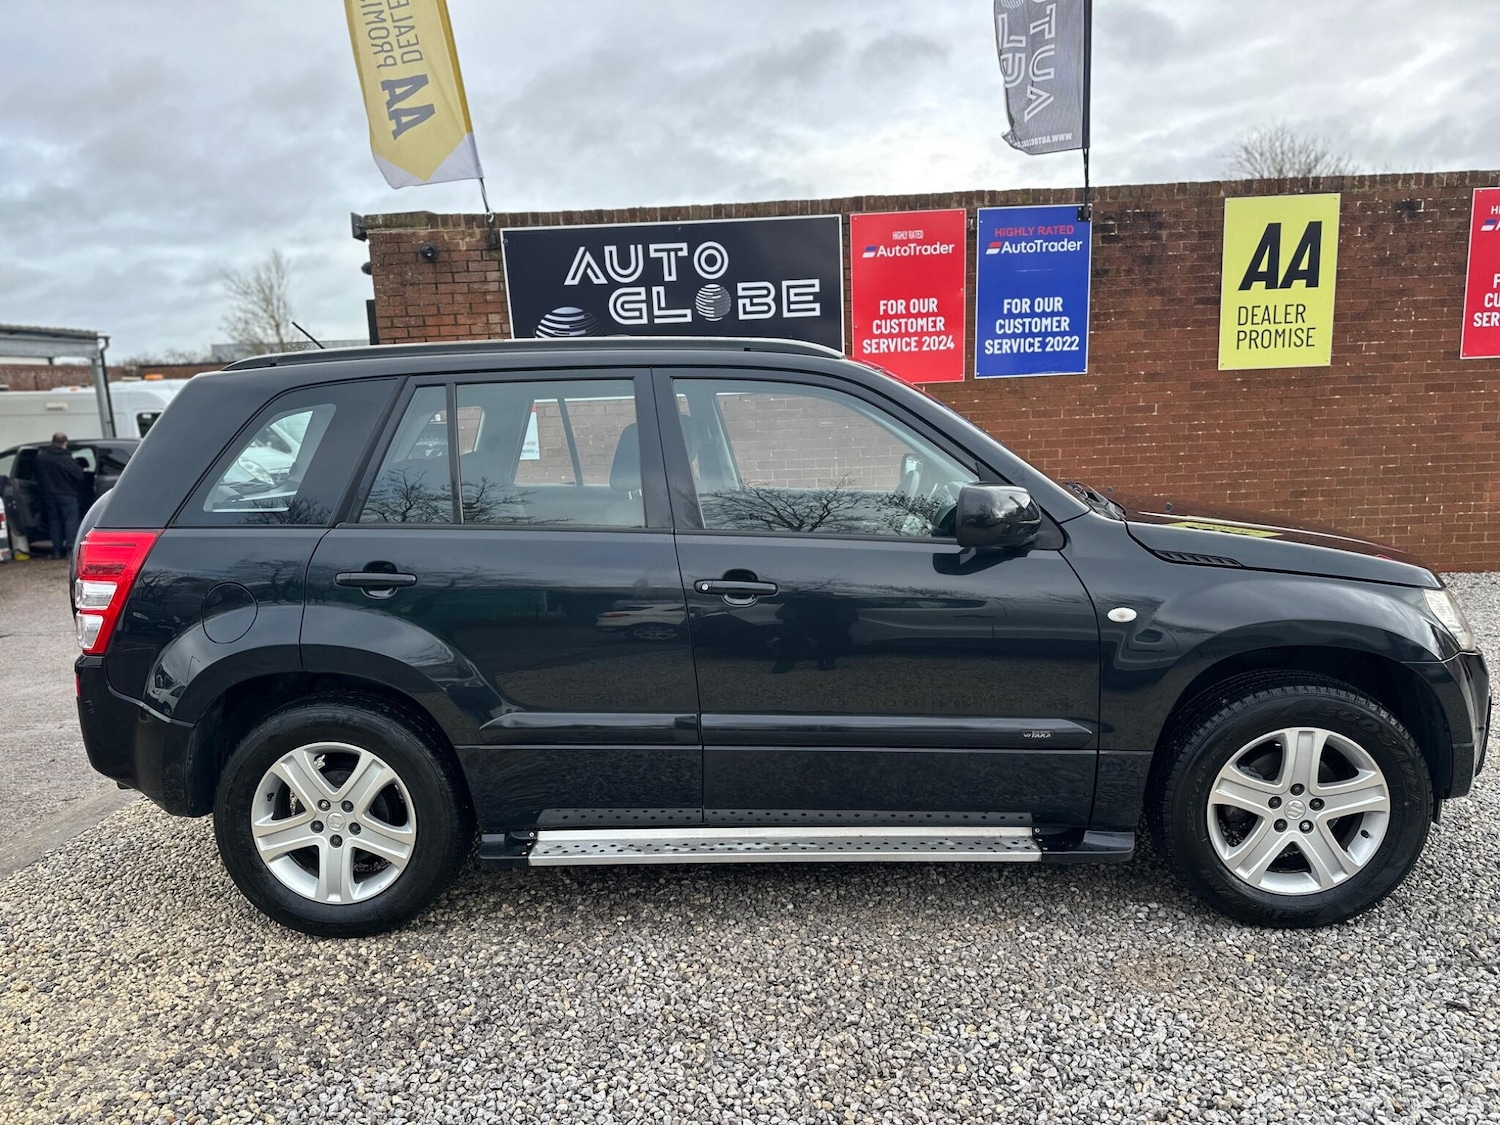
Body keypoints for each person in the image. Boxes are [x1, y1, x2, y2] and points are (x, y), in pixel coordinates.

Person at [34, 432, 85, 560]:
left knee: (54, 522)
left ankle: (57, 550)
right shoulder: (66, 458)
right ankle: (70, 550)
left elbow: (37, 476)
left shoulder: (41, 457)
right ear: (64, 443)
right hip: (67, 494)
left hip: (49, 495)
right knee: (70, 521)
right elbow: (79, 475)